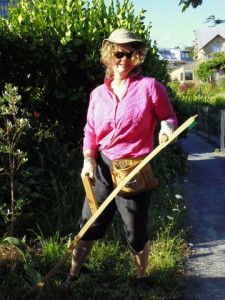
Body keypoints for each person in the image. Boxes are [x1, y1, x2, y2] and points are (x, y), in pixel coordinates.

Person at [63, 28, 177, 291]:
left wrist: (166, 128)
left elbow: (168, 116)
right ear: (108, 55)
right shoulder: (97, 94)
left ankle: (141, 277)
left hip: (134, 168)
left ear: (137, 56)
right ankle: (72, 275)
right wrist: (88, 159)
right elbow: (90, 130)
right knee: (88, 222)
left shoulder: (150, 87)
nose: (124, 59)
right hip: (102, 166)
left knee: (135, 228)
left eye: (131, 53)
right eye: (119, 53)